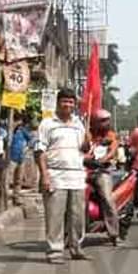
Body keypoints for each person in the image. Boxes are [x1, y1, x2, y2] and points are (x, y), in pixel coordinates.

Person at [35, 89, 89, 264]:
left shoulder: (79, 124)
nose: (68, 105)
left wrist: (87, 144)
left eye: (71, 102)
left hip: (77, 176)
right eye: (64, 101)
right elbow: (39, 151)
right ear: (58, 103)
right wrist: (45, 176)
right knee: (55, 217)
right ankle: (55, 251)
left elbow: (83, 149)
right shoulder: (47, 123)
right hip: (55, 175)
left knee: (78, 217)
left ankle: (76, 247)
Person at [85, 109, 122, 247]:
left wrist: (103, 159)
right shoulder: (87, 134)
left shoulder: (111, 135)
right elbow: (82, 149)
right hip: (84, 170)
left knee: (107, 198)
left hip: (102, 171)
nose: (106, 124)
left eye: (107, 121)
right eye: (102, 121)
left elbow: (112, 150)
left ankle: (114, 234)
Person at [9, 114, 35, 205]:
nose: (18, 123)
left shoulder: (23, 131)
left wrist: (27, 148)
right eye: (17, 121)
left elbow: (32, 140)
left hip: (21, 157)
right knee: (8, 179)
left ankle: (16, 198)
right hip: (11, 157)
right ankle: (5, 198)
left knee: (18, 180)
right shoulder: (10, 131)